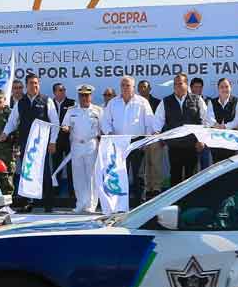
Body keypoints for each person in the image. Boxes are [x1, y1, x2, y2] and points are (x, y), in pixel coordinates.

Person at [0, 73, 59, 212]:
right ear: (26, 85)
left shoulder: (46, 100)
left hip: (41, 145)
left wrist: (53, 141)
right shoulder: (21, 102)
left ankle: (48, 204)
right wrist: (5, 133)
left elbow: (55, 122)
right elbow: (12, 121)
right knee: (26, 173)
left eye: (36, 83)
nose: (34, 86)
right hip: (26, 144)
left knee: (44, 173)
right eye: (31, 83)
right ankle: (28, 203)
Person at [154, 73, 216, 187]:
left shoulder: (197, 99)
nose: (177, 86)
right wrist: (157, 134)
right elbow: (158, 121)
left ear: (186, 85)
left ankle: (190, 199)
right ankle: (175, 199)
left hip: (192, 145)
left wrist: (202, 140)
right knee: (175, 176)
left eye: (180, 83)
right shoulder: (166, 101)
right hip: (174, 146)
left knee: (191, 178)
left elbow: (206, 121)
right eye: (175, 84)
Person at [100, 76, 154, 207]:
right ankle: (119, 206)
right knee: (119, 175)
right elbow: (105, 122)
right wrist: (110, 135)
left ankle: (140, 205)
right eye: (123, 85)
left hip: (136, 143)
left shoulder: (142, 102)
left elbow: (149, 123)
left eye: (128, 85)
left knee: (138, 175)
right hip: (118, 143)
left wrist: (146, 141)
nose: (125, 88)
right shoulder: (113, 103)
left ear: (133, 87)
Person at [61, 85, 103, 212]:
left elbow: (103, 128)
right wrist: (66, 128)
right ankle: (80, 203)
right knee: (78, 176)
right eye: (81, 95)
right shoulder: (71, 110)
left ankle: (91, 204)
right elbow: (65, 125)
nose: (84, 98)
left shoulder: (98, 111)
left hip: (91, 144)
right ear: (78, 96)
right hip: (76, 145)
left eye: (86, 95)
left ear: (91, 96)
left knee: (91, 176)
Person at [138, 80, 164, 199]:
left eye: (145, 87)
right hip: (141, 138)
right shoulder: (136, 103)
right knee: (144, 165)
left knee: (155, 163)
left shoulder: (158, 102)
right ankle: (148, 189)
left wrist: (162, 136)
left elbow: (163, 119)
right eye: (140, 87)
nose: (142, 89)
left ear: (150, 89)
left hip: (155, 138)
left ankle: (156, 188)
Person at [210, 77, 238, 162]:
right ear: (218, 89)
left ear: (230, 87)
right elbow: (209, 118)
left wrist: (225, 126)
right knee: (217, 164)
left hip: (232, 141)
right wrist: (216, 125)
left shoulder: (237, 101)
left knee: (232, 164)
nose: (224, 89)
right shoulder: (212, 102)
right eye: (222, 87)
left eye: (226, 86)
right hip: (216, 141)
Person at [52, 82, 75, 198]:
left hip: (69, 139)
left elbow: (75, 119)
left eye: (64, 89)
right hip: (55, 140)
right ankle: (55, 192)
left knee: (71, 166)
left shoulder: (72, 103)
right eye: (60, 90)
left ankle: (72, 192)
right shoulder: (50, 103)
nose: (63, 92)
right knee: (56, 165)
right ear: (54, 92)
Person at [190, 77, 213, 169]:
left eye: (200, 87)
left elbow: (210, 119)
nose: (198, 89)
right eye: (196, 87)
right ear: (191, 88)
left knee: (205, 164)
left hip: (205, 137)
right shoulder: (186, 101)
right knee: (192, 166)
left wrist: (203, 138)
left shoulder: (209, 100)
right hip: (191, 138)